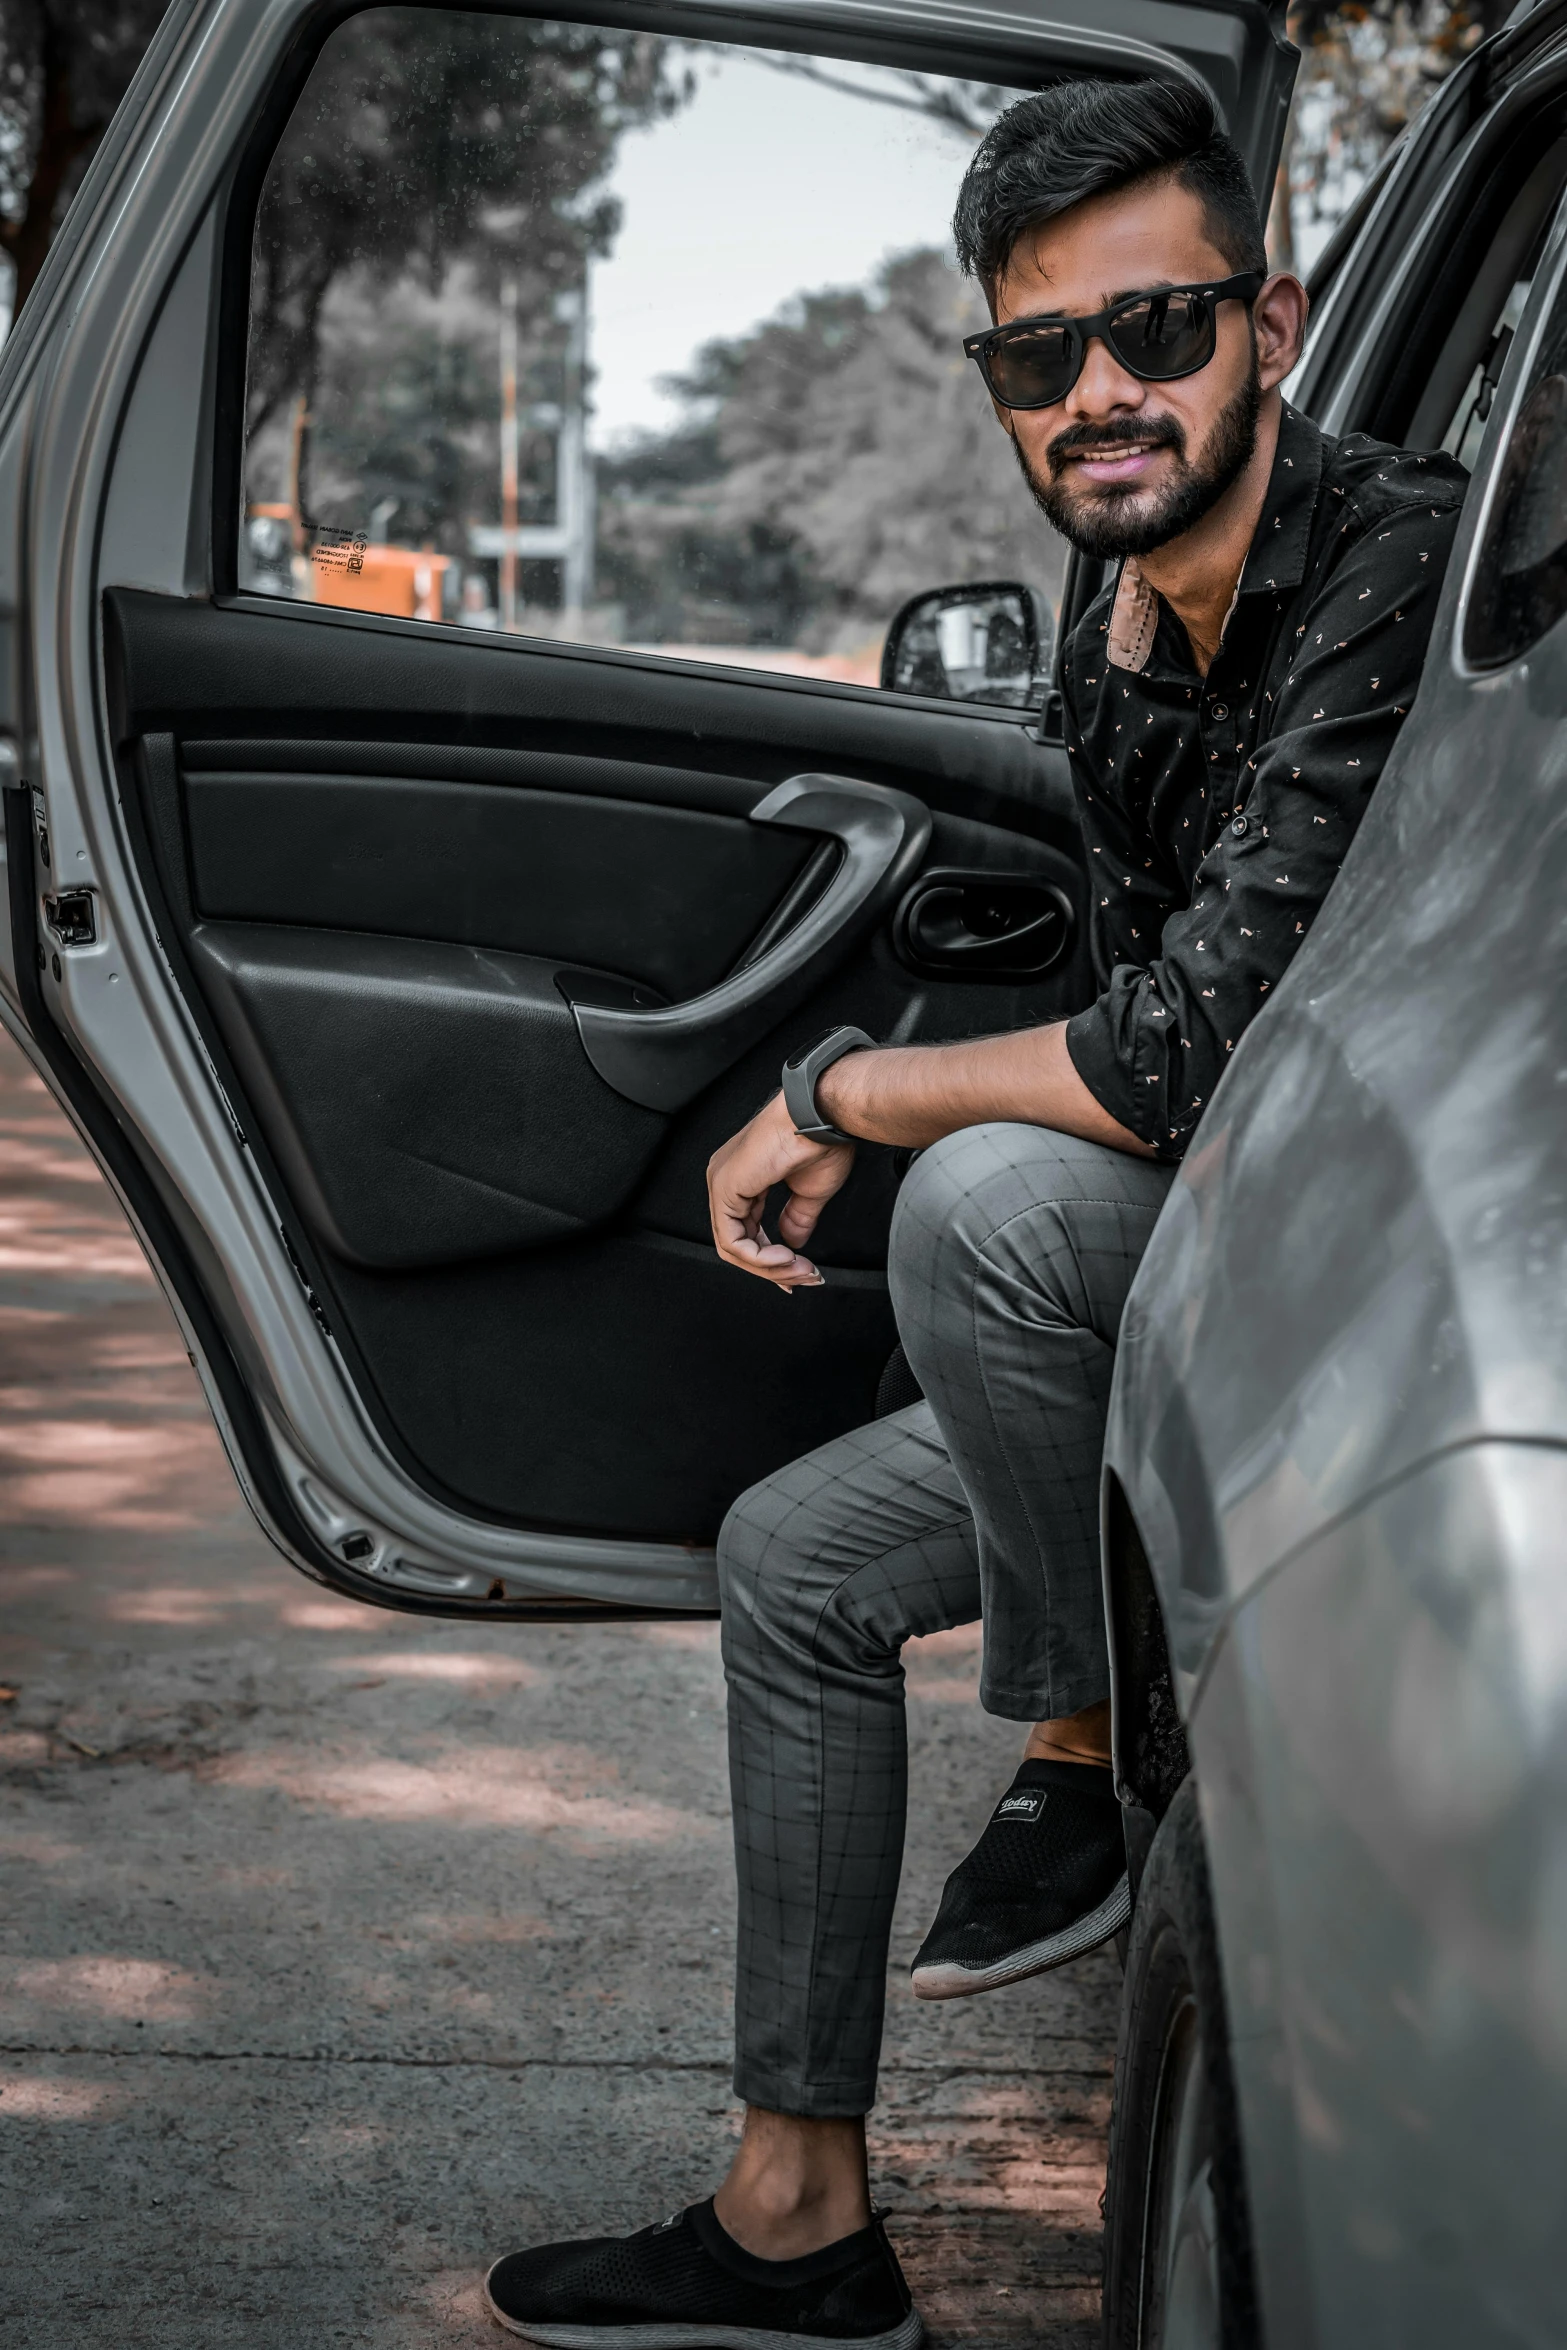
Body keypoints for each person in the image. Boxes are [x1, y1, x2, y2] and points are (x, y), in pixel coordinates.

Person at [483, 74, 1466, 2347]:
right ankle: (795, 2218)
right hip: (1213, 1280)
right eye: (1041, 355)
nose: (1102, 392)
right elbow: (1143, 1003)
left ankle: (1090, 1737)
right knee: (797, 1564)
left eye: (1160, 329)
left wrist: (845, 1082)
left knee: (989, 1199)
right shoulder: (1113, 589)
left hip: (1377, 1298)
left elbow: (1180, 1045)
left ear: (1276, 323)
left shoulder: (1397, 561)